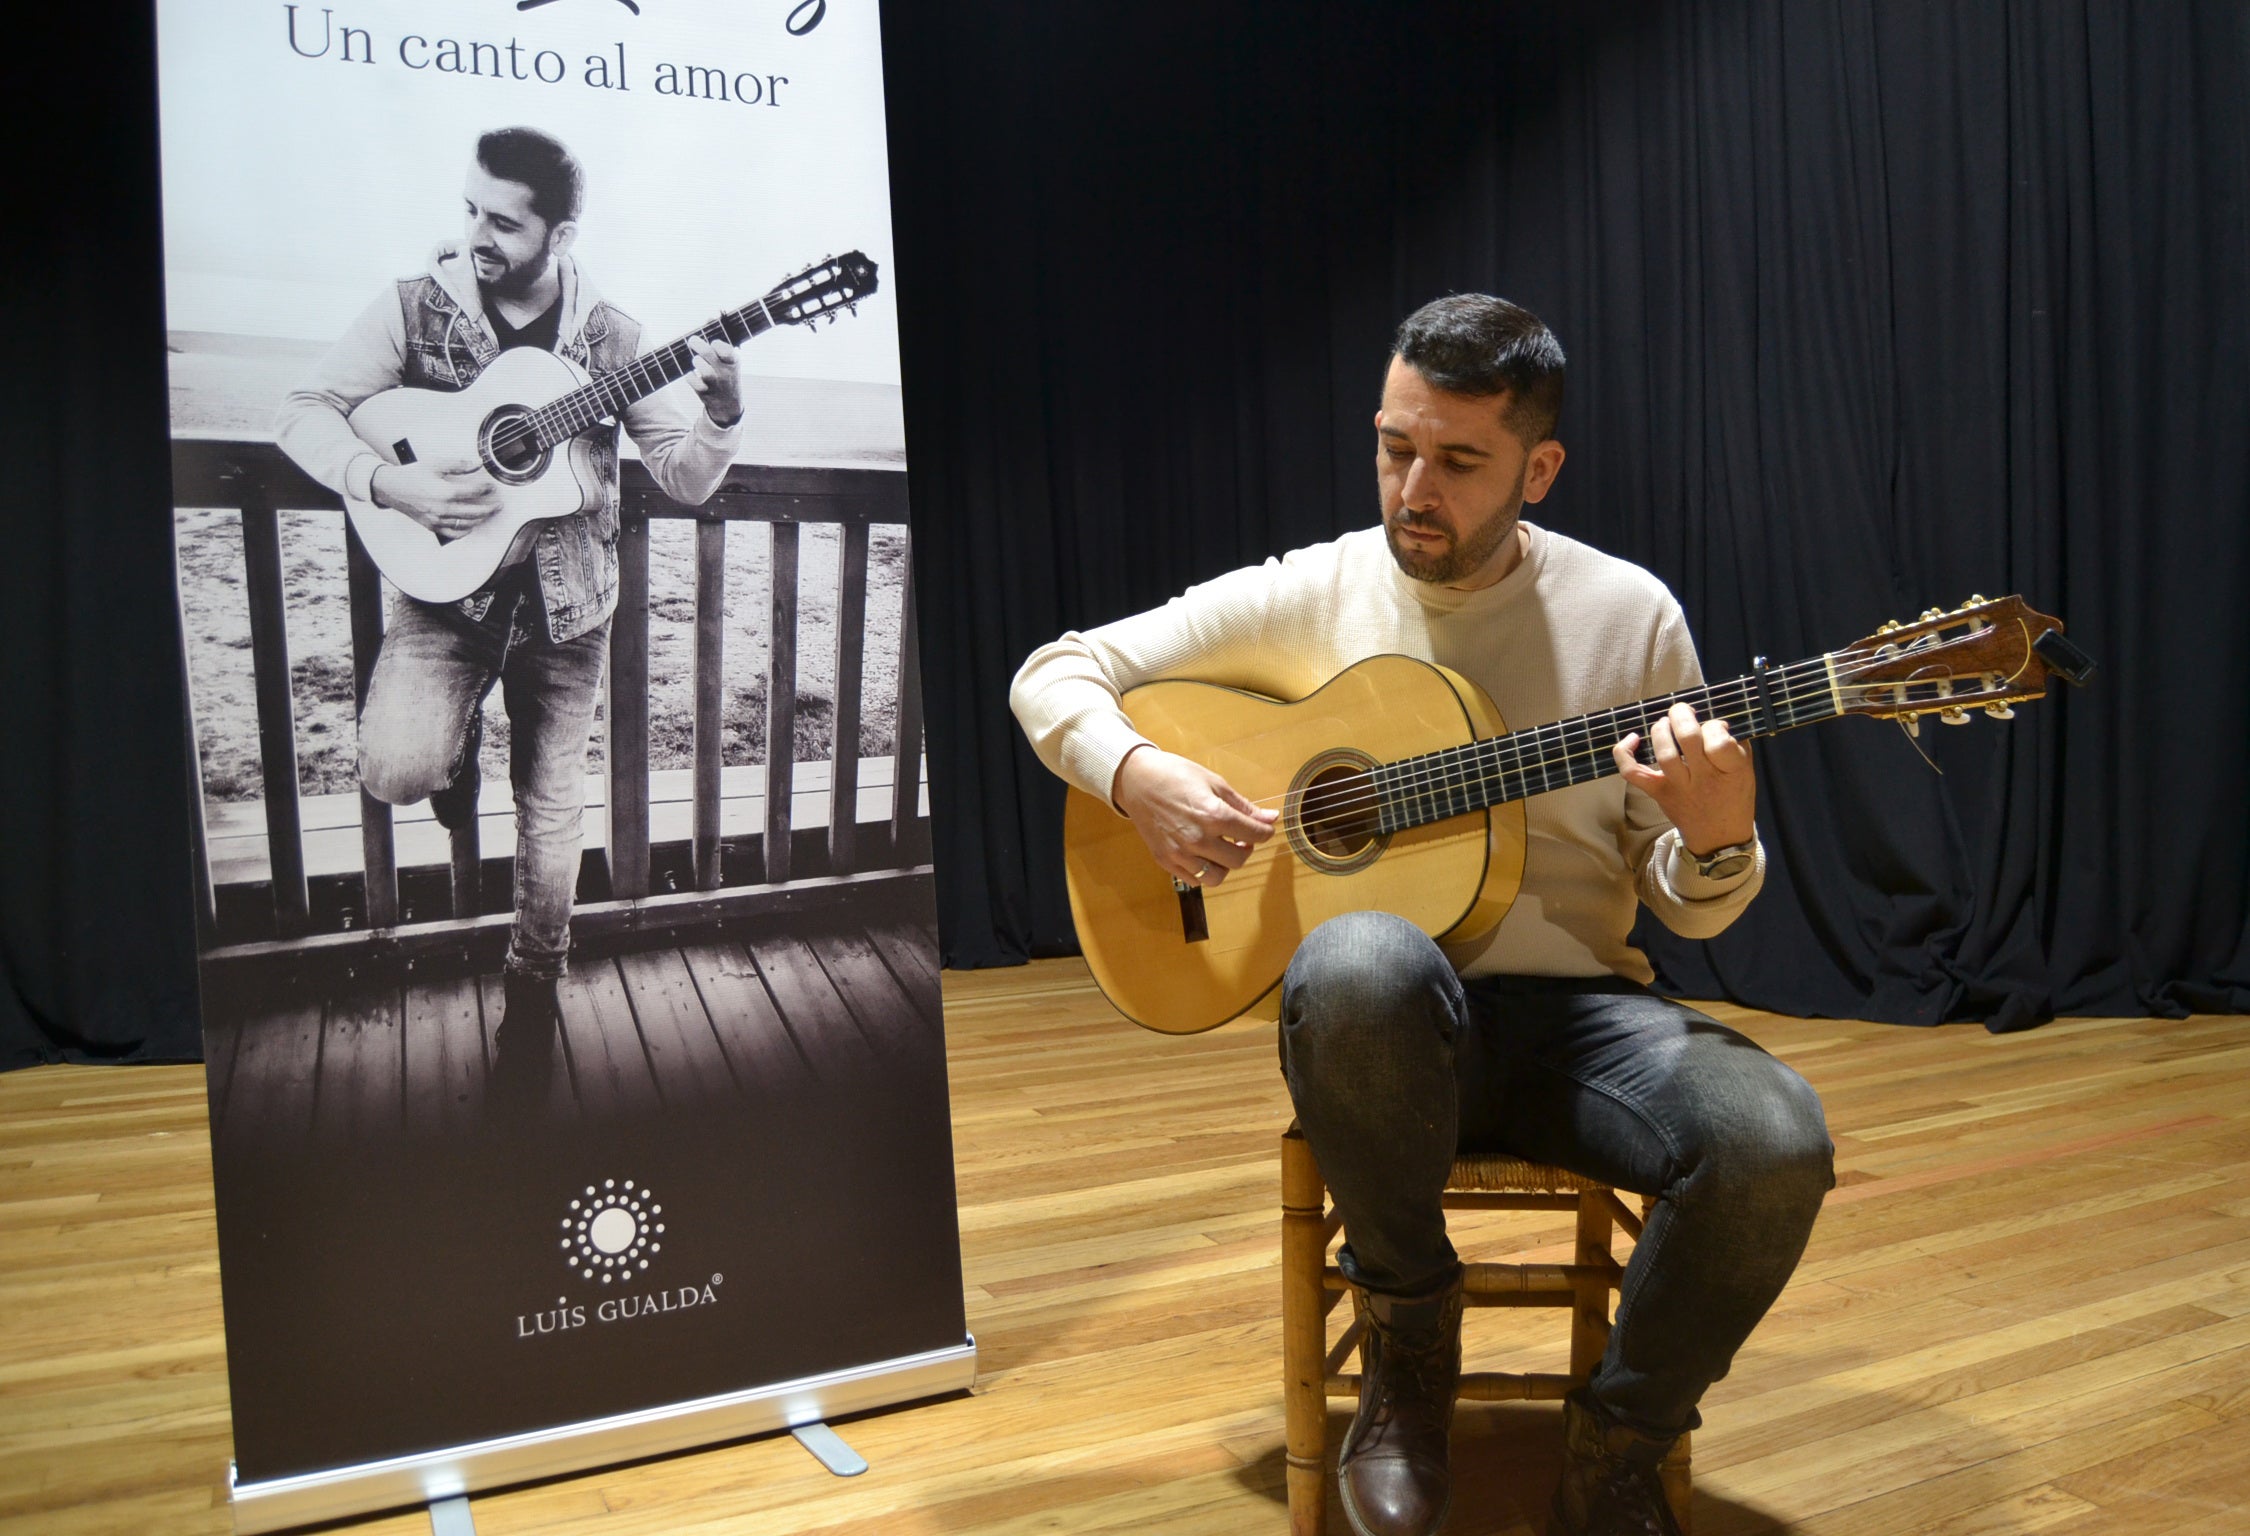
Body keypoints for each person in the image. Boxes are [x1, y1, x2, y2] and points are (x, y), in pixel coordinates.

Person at [1009, 295, 1833, 1536]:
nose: (1413, 488)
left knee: (1779, 1138)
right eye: (1396, 446)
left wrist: (1717, 839)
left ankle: (1620, 1440)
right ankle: (1409, 1343)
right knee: (1358, 961)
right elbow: (1053, 670)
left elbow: (1687, 899)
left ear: (1538, 470)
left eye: (1457, 461)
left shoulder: (1630, 619)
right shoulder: (1314, 591)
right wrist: (1140, 775)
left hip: (1584, 1024)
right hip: (1384, 1047)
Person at [276, 127, 746, 1111]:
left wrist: (721, 418)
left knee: (552, 815)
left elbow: (685, 480)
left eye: (502, 219)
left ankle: (533, 990)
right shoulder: (414, 306)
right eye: (471, 209)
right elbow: (307, 408)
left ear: (561, 232)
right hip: (444, 596)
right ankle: (455, 754)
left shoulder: (617, 341)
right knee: (394, 768)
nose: (476, 233)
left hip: (568, 613)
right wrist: (387, 482)